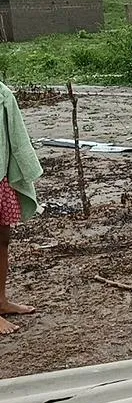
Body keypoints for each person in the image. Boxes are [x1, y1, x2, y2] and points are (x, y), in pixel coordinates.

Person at [0, 82, 42, 335]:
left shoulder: (2, 93)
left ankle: (1, 300)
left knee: (3, 238)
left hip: (0, 174)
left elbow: (14, 136)